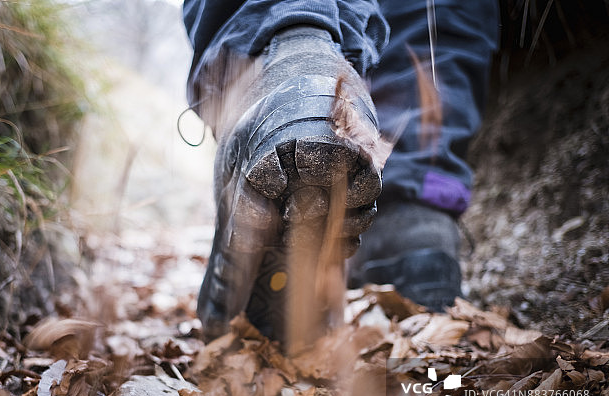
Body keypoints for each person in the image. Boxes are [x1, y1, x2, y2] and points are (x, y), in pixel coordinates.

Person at [182, 0, 499, 348]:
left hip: (268, 76)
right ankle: (415, 214)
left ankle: (284, 52)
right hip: (426, 169)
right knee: (428, 11)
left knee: (283, 35)